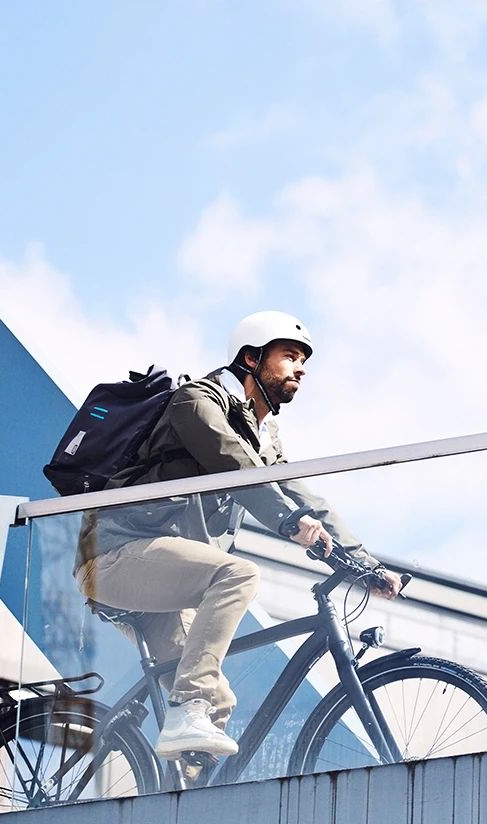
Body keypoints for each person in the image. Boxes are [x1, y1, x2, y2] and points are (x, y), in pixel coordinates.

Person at [74, 311, 400, 759]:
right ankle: (186, 707)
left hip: (162, 573)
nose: (301, 368)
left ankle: (182, 806)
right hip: (116, 554)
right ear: (251, 358)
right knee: (238, 576)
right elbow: (236, 469)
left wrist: (365, 564)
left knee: (218, 707)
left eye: (304, 360)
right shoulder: (196, 402)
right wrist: (288, 521)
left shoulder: (265, 437)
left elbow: (301, 492)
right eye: (289, 356)